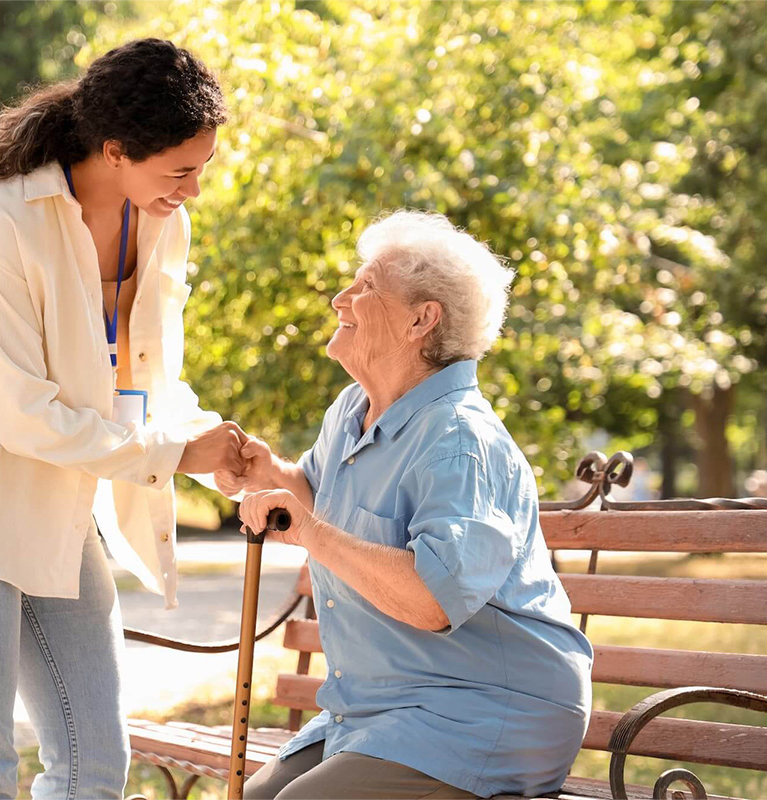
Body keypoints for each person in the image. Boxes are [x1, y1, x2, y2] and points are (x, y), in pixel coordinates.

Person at [0, 39, 246, 799]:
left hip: (56, 506)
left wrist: (226, 452)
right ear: (113, 151)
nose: (194, 190)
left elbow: (148, 377)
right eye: (180, 170)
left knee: (95, 758)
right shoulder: (2, 222)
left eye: (201, 167)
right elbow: (21, 413)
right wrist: (172, 455)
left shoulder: (161, 220)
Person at [221, 211, 593, 799]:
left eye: (365, 287)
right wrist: (270, 474)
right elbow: (319, 499)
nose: (341, 297)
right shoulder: (352, 411)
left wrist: (313, 534)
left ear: (422, 319)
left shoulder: (459, 441)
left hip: (485, 709)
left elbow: (430, 600)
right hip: (382, 707)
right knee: (256, 797)